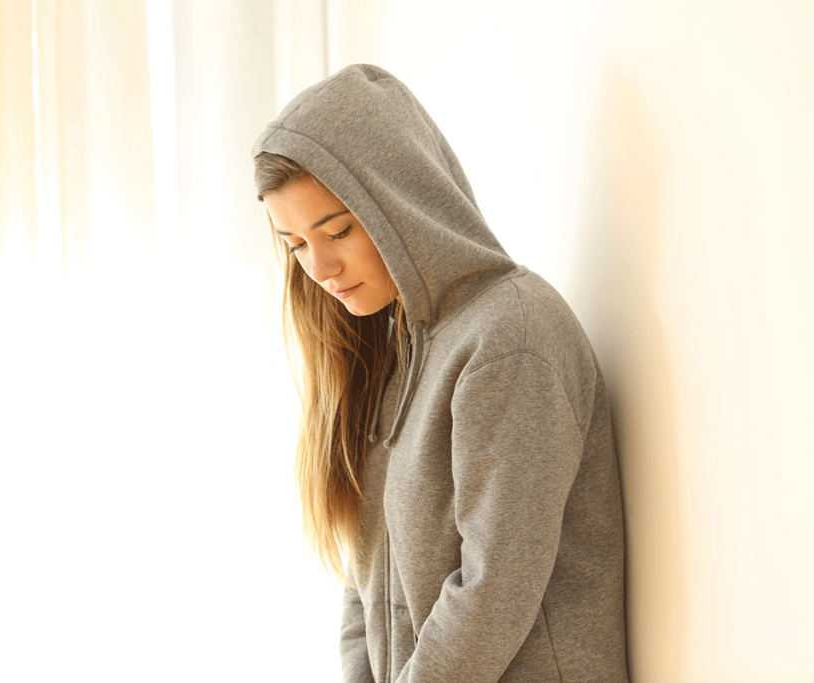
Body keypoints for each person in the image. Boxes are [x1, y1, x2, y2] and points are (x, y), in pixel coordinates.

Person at [253, 64, 629, 683]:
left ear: (401, 198)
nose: (318, 267)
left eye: (338, 230)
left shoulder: (513, 338)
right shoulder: (389, 354)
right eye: (295, 244)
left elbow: (493, 591)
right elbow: (364, 580)